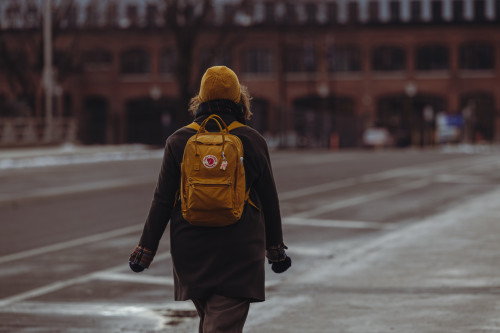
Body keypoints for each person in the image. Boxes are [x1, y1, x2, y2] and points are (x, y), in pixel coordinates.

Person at [129, 65, 291, 333]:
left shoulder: (178, 141)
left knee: (213, 321)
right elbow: (269, 203)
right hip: (239, 254)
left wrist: (144, 252)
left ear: (200, 100)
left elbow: (162, 201)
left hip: (191, 253)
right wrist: (275, 252)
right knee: (221, 324)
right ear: (240, 99)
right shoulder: (252, 140)